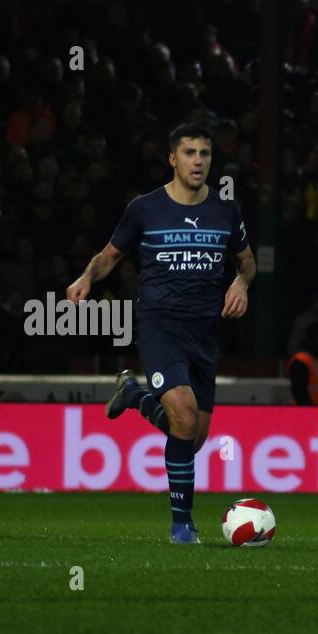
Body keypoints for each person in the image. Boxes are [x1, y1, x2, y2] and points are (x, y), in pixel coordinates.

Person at [67, 123, 255, 544]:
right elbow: (110, 255)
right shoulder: (145, 209)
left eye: (205, 153)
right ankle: (182, 525)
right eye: (189, 153)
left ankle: (134, 396)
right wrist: (86, 278)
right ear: (173, 158)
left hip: (205, 332)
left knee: (193, 436)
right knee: (184, 419)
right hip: (159, 327)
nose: (198, 161)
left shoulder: (227, 211)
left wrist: (242, 283)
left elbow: (247, 262)